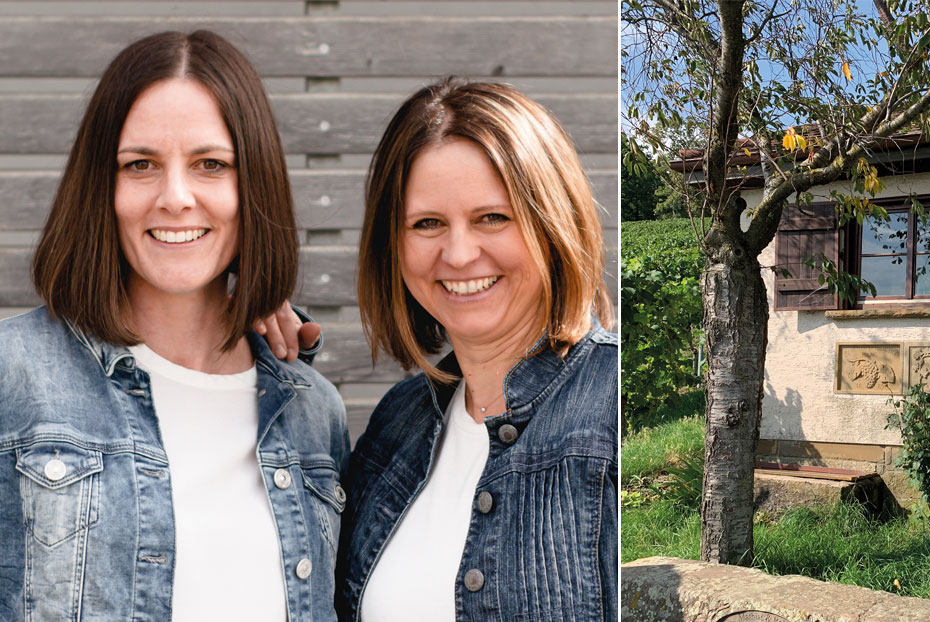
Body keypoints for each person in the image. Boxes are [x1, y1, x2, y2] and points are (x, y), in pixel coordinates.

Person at [0, 31, 348, 622]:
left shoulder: (313, 413)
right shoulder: (15, 376)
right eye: (140, 165)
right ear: (101, 188)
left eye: (211, 164)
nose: (176, 197)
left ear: (253, 185)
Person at [336, 80, 617, 622]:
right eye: (427, 224)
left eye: (493, 217)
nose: (460, 253)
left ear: (551, 222)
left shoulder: (609, 404)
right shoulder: (397, 424)